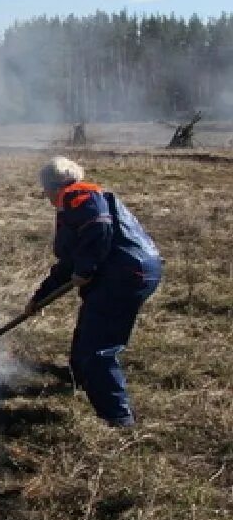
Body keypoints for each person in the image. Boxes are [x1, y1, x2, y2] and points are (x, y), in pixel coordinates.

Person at [27, 156, 162, 427]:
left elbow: (98, 227)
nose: (46, 196)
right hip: (133, 271)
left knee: (97, 348)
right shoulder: (83, 199)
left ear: (52, 186)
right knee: (90, 330)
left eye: (45, 190)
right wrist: (40, 299)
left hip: (124, 276)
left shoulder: (78, 196)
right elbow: (68, 263)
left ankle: (118, 417)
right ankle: (81, 379)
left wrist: (86, 268)